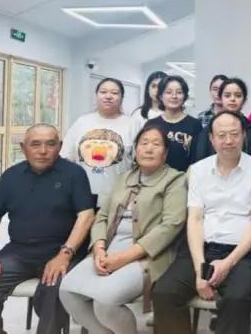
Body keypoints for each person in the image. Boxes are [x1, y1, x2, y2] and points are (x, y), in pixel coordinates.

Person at [0, 124, 95, 334]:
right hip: (19, 252)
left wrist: (65, 254)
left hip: (62, 252)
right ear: (23, 148)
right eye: (35, 144)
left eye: (50, 144)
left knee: (54, 290)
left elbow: (86, 215)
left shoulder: (74, 174)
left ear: (60, 146)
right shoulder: (11, 176)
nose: (43, 151)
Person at [60, 124, 187, 334]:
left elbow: (171, 225)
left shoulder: (175, 180)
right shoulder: (125, 178)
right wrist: (99, 248)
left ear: (165, 153)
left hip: (147, 256)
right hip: (109, 250)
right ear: (135, 150)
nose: (149, 149)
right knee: (67, 291)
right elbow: (102, 216)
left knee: (105, 301)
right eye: (144, 143)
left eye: (156, 144)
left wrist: (124, 258)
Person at [152, 111, 251, 334]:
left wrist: (228, 263)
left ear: (244, 136)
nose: (228, 140)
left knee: (237, 300)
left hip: (240, 253)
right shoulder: (199, 170)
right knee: (164, 293)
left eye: (234, 134)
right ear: (212, 139)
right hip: (200, 250)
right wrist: (201, 270)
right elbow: (195, 219)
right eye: (222, 135)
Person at [61, 77, 140, 207]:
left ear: (121, 98)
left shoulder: (132, 125)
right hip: (82, 197)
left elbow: (140, 163)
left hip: (119, 199)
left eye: (114, 93)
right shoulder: (82, 122)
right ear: (96, 95)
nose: (108, 96)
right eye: (103, 92)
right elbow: (66, 157)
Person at [191, 78, 251, 161]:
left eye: (238, 95)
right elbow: (201, 158)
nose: (232, 99)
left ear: (244, 100)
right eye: (227, 95)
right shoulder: (210, 128)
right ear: (220, 98)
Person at [146, 75, 202, 173]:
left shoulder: (195, 125)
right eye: (168, 92)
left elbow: (197, 159)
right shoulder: (151, 124)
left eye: (179, 92)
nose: (174, 96)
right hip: (155, 178)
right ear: (161, 96)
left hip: (184, 178)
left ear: (185, 97)